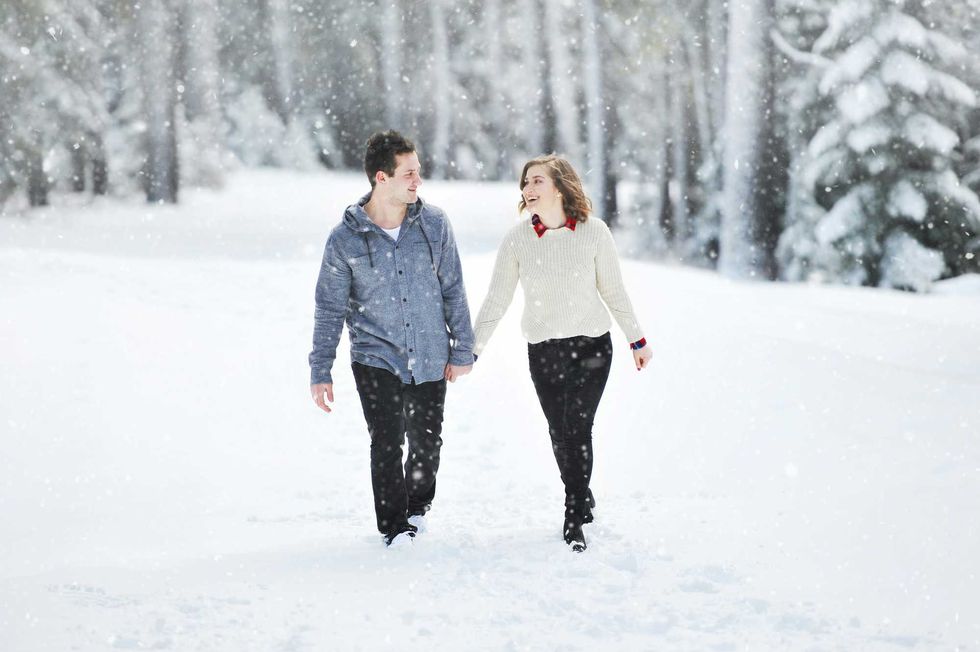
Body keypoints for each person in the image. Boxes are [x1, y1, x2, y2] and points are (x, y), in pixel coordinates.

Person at [472, 154, 652, 552]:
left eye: (536, 181)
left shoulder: (594, 232)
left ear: (559, 187)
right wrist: (473, 349)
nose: (527, 189)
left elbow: (614, 290)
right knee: (559, 431)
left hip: (592, 348)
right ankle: (581, 490)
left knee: (578, 428)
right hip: (544, 350)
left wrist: (636, 340)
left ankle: (573, 511)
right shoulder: (517, 239)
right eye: (525, 183)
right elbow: (497, 298)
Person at [309, 130, 475, 548]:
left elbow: (453, 288)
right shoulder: (345, 239)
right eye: (409, 173)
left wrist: (463, 347)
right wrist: (320, 368)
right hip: (374, 355)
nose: (418, 180)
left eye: (418, 172)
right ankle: (394, 526)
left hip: (431, 352)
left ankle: (417, 507)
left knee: (426, 442)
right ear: (381, 178)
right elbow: (329, 307)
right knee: (385, 440)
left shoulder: (434, 224)